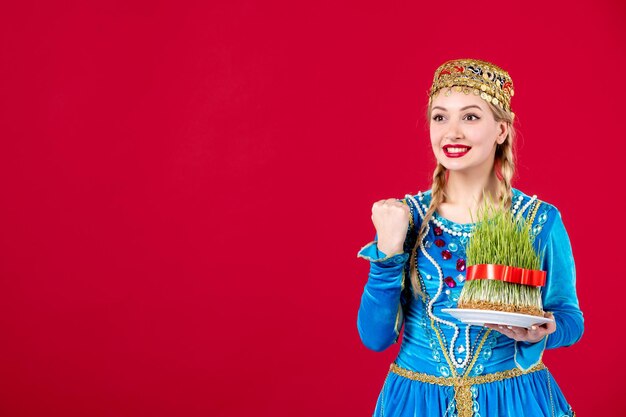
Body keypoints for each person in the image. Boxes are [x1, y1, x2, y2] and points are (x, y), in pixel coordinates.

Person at [356, 58, 583, 417]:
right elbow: (375, 338)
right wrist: (387, 253)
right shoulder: (405, 217)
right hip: (417, 403)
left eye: (471, 117)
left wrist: (543, 331)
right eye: (440, 117)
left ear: (501, 130)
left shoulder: (539, 220)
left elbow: (570, 318)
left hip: (515, 401)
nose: (452, 132)